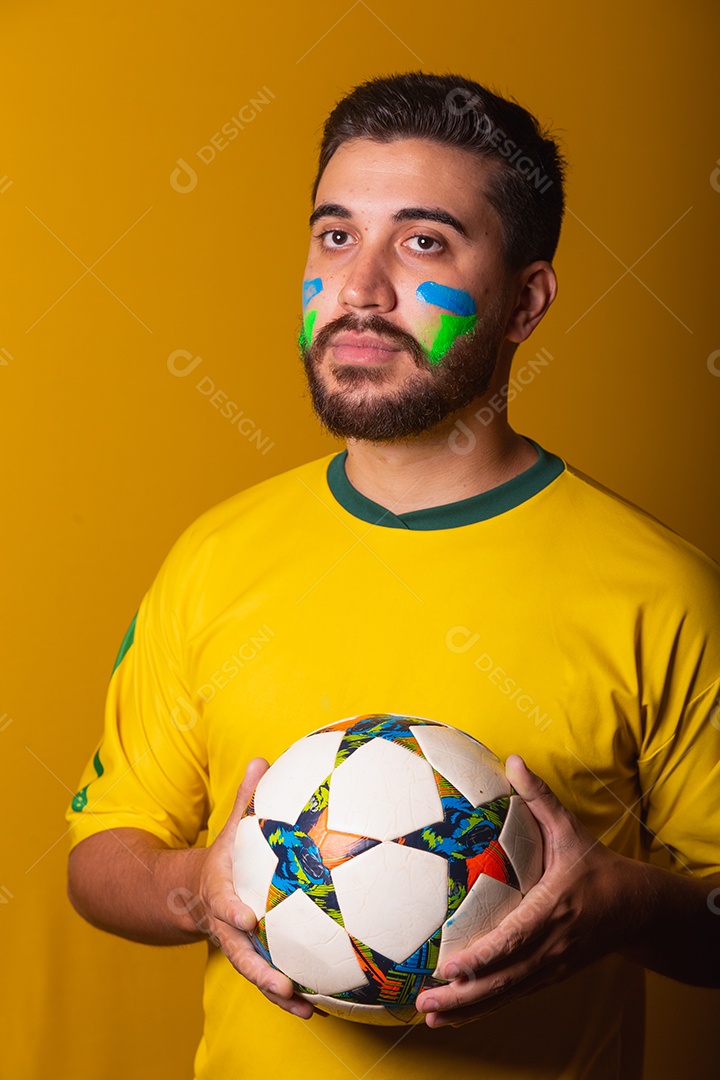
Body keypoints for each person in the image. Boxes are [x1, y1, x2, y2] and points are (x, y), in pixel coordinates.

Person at [66, 72, 720, 1080]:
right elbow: (100, 852)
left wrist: (623, 908)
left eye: (423, 243)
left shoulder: (660, 589)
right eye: (336, 236)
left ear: (525, 300)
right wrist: (198, 882)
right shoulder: (216, 554)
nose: (361, 288)